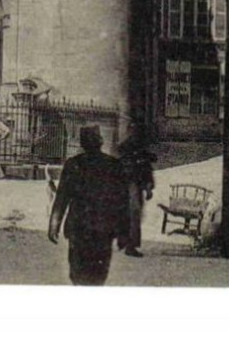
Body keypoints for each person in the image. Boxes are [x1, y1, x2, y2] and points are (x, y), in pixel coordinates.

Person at [48, 125, 129, 287]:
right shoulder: (114, 165)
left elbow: (62, 198)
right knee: (99, 274)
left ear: (82, 143)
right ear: (101, 142)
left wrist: (54, 224)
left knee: (77, 272)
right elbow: (122, 202)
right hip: (103, 228)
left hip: (79, 227)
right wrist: (123, 232)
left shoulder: (73, 164)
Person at [117, 122, 155, 257]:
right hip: (127, 186)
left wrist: (149, 187)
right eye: (132, 130)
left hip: (136, 186)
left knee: (134, 215)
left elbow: (147, 169)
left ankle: (129, 244)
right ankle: (128, 244)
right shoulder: (124, 148)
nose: (134, 134)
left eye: (136, 131)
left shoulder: (140, 149)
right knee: (132, 214)